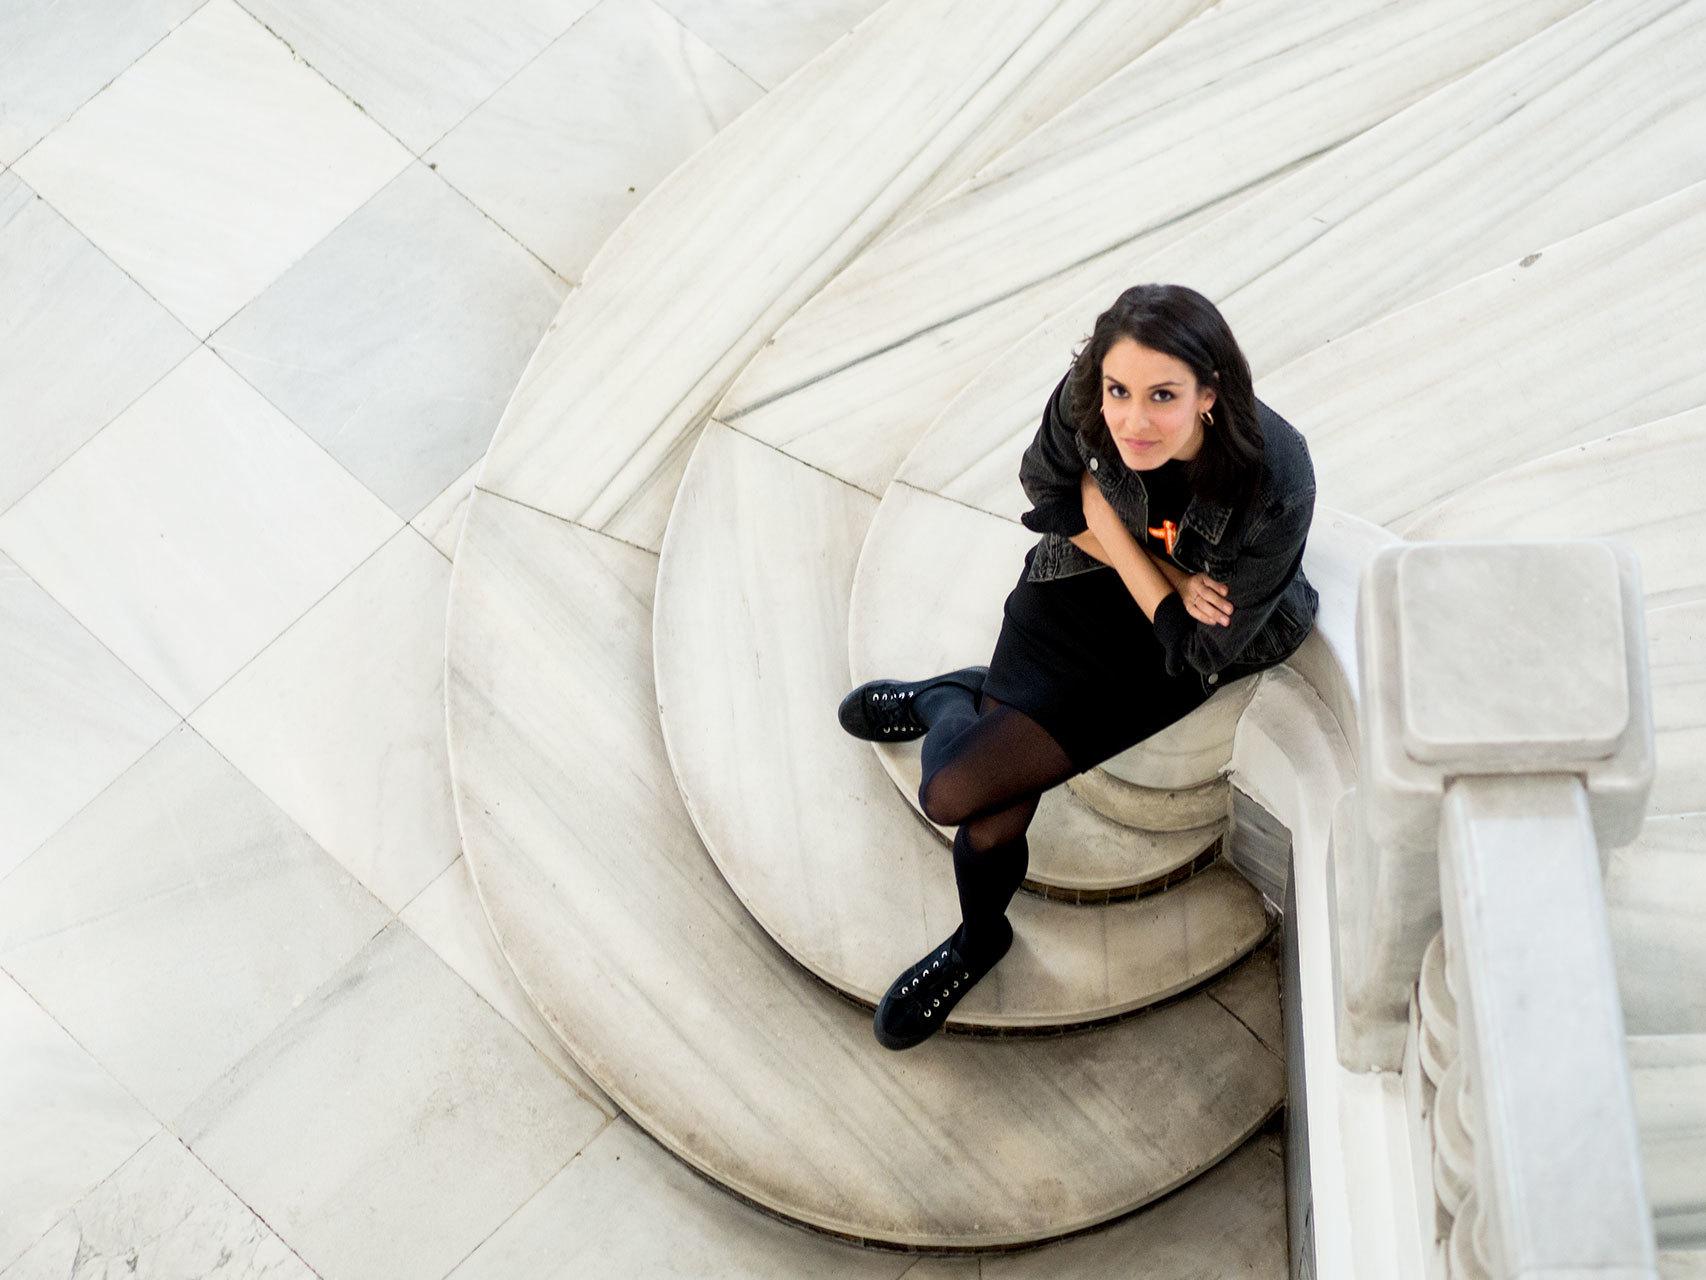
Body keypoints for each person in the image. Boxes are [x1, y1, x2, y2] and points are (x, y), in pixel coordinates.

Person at [837, 283, 1319, 1051]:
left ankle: (947, 705)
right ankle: (981, 935)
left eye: (1163, 396)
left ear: (1210, 393)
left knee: (953, 793)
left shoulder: (1275, 480)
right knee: (975, 808)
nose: (1132, 421)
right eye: (1119, 390)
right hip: (1080, 582)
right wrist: (1154, 565)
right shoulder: (1087, 397)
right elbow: (1050, 496)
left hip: (1163, 655)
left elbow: (1205, 643)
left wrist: (1111, 525)